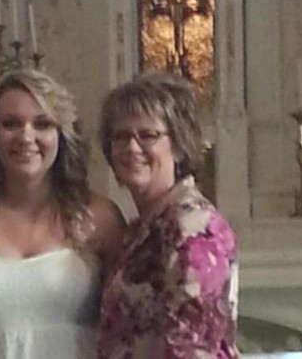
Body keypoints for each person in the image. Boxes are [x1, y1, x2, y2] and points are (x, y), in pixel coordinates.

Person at [0, 69, 125, 359]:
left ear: (62, 134)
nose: (26, 137)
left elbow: (128, 324)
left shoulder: (99, 216)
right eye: (11, 124)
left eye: (42, 124)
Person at [96, 71, 239, 359]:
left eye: (147, 135)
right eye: (121, 136)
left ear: (177, 145)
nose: (132, 147)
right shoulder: (140, 230)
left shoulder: (195, 228)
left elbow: (192, 348)